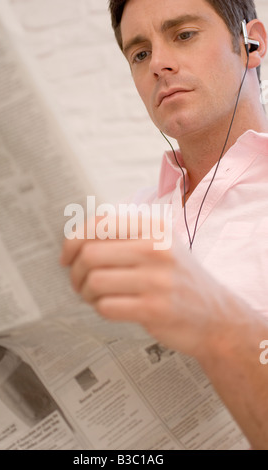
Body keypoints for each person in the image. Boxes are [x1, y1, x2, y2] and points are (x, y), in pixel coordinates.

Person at [61, 0, 268, 449]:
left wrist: (218, 322)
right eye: (139, 54)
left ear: (252, 44)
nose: (159, 63)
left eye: (183, 35)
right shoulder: (124, 225)